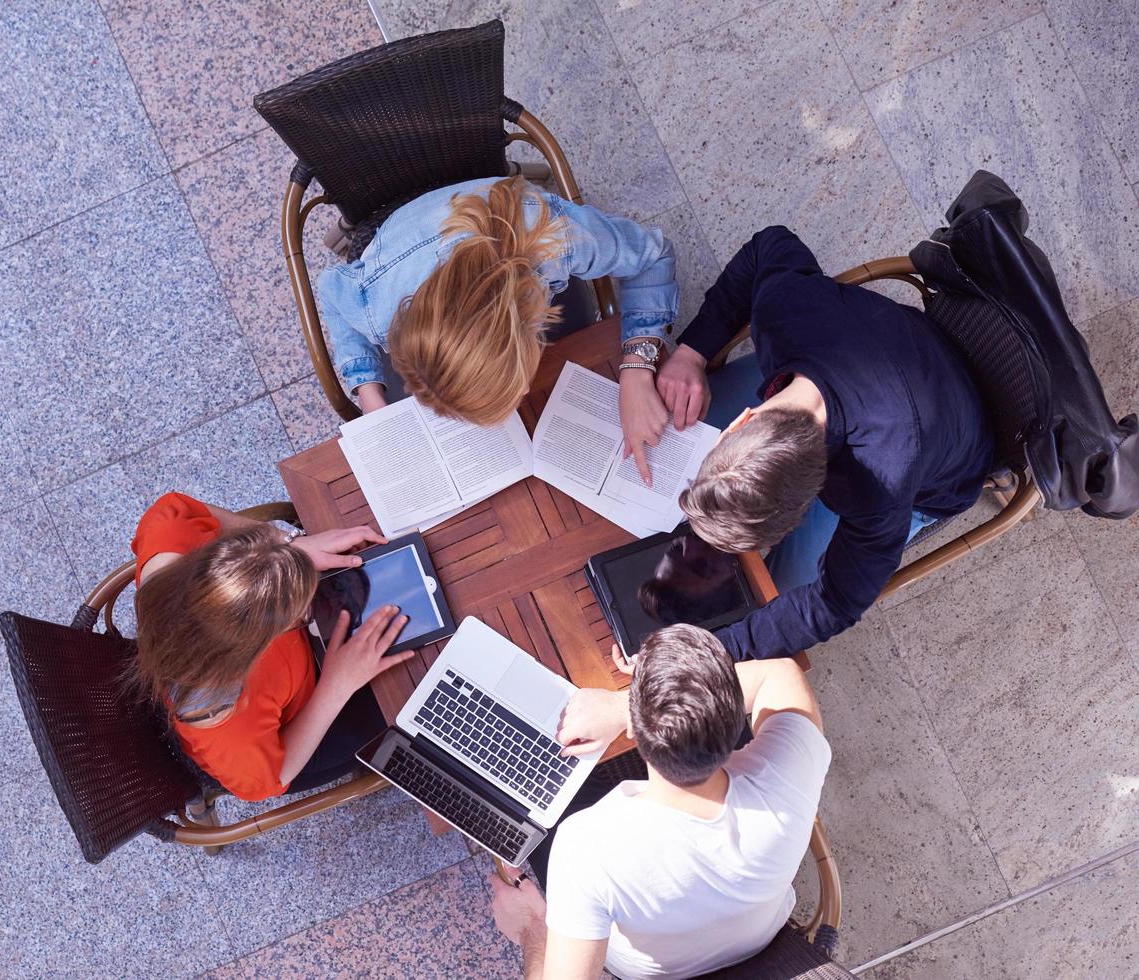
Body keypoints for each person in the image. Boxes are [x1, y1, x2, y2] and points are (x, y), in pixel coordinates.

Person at [648, 225, 994, 660]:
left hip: (948, 456)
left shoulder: (881, 491)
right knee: (666, 432)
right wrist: (692, 352)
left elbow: (837, 602)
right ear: (743, 421)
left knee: (782, 592)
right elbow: (767, 245)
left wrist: (716, 651)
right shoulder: (784, 310)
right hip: (877, 360)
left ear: (819, 497)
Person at [488, 625, 830, 979]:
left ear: (633, 731)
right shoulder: (788, 775)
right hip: (760, 940)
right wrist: (636, 707)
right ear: (733, 719)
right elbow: (778, 674)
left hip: (644, 971)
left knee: (542, 773)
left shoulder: (584, 850)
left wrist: (531, 928)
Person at [318, 175, 680, 479]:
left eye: (516, 384)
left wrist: (637, 366)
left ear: (526, 327)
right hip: (404, 247)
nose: (524, 389)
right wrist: (368, 392)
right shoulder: (373, 307)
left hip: (503, 214)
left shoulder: (558, 239)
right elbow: (331, 292)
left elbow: (654, 254)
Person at [127, 492, 412, 801]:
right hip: (283, 742)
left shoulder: (168, 545)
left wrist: (287, 541)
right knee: (401, 700)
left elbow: (174, 508)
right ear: (254, 651)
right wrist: (336, 686)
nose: (310, 609)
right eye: (300, 615)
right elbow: (269, 780)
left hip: (285, 684)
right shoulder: (231, 732)